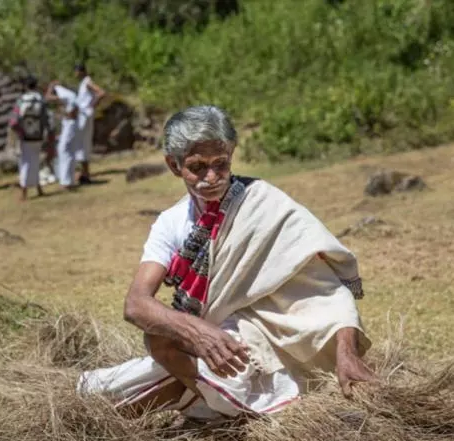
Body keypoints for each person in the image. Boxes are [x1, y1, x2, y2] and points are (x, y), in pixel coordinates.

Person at [78, 105, 376, 420]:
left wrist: (347, 352)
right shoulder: (171, 223)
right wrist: (198, 332)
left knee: (132, 391)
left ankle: (238, 412)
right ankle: (229, 407)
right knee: (154, 346)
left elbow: (325, 289)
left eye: (220, 164)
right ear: (173, 165)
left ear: (231, 154)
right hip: (219, 344)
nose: (211, 177)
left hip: (281, 343)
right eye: (197, 167)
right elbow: (136, 304)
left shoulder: (265, 204)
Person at [9, 75, 50, 201]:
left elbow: (13, 122)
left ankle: (24, 193)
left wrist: (19, 132)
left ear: (26, 86)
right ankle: (38, 189)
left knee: (25, 164)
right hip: (37, 135)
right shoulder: (41, 100)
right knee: (35, 162)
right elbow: (45, 119)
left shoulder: (21, 100)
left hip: (25, 136)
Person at [73, 63, 105, 185]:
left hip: (85, 116)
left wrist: (91, 105)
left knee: (81, 143)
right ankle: (84, 173)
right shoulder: (83, 83)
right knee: (82, 145)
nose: (75, 74)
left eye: (77, 71)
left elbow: (101, 92)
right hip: (83, 115)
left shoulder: (87, 82)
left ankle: (84, 173)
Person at [44, 80, 79, 190]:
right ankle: (69, 180)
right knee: (69, 151)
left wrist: (51, 86)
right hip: (71, 124)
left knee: (63, 149)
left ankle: (65, 182)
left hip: (70, 124)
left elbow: (47, 97)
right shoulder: (69, 95)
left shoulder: (65, 95)